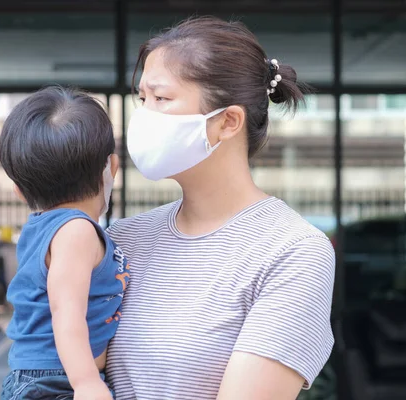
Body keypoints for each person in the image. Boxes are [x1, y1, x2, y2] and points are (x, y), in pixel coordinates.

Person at [105, 16, 336, 400]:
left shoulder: (293, 252)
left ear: (228, 122)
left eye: (161, 98)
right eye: (142, 98)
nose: (143, 115)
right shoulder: (122, 239)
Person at [0, 86, 128, 400]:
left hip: (45, 378)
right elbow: (66, 310)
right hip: (57, 383)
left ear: (18, 190)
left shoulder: (44, 228)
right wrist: (86, 382)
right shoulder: (76, 232)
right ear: (111, 168)